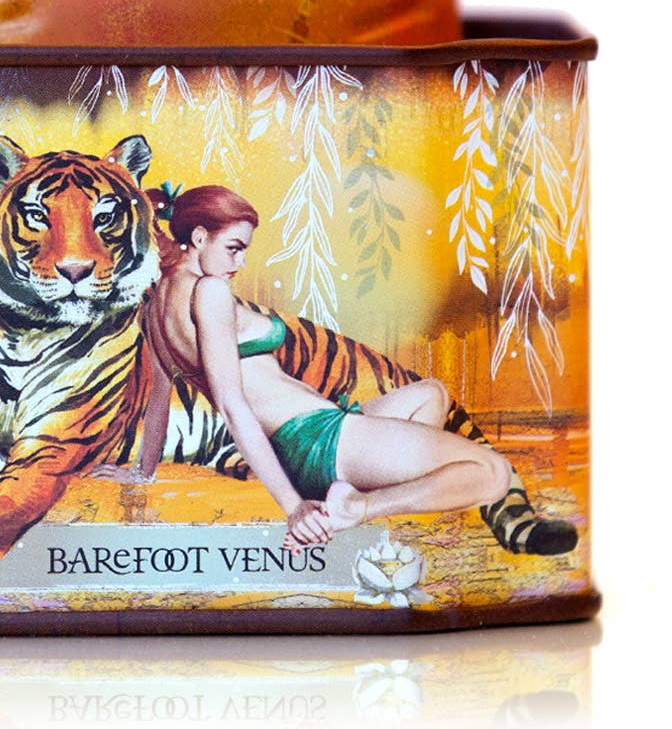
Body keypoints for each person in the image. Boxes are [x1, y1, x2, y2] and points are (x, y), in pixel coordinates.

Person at [91, 184, 512, 550]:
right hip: (316, 437)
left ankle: (375, 485)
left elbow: (159, 398)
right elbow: (233, 407)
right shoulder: (210, 291)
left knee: (432, 393)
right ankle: (357, 507)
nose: (239, 263)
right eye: (233, 248)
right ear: (199, 237)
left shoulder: (155, 307)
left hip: (312, 437)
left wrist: (142, 472)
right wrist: (293, 507)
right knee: (493, 472)